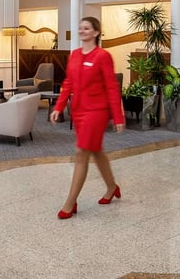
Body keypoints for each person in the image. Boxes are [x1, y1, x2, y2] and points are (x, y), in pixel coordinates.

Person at [50, 16, 125, 219]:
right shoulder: (74, 55)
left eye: (86, 28)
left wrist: (118, 117)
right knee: (96, 150)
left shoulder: (103, 56)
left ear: (96, 32)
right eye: (80, 28)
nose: (82, 31)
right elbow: (68, 83)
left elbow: (112, 87)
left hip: (97, 111)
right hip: (79, 111)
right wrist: (59, 107)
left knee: (82, 152)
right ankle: (112, 187)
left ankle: (70, 203)